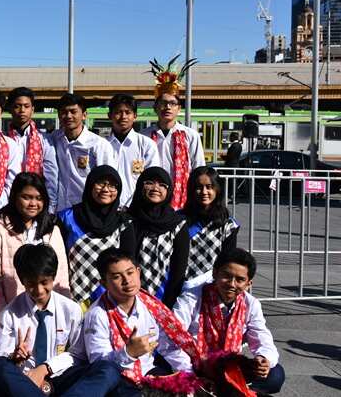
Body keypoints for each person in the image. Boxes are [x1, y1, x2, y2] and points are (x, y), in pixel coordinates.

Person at [0, 244, 121, 397]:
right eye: (31, 284)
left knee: (108, 369)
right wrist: (14, 358)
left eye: (44, 282)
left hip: (60, 378)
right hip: (24, 381)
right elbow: (1, 356)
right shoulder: (10, 313)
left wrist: (45, 368)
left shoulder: (70, 309)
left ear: (54, 276)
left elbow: (79, 354)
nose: (39, 290)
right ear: (22, 281)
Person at [83, 248, 200, 397]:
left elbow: (169, 347)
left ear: (138, 272)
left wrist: (189, 377)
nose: (127, 281)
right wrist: (128, 353)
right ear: (104, 283)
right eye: (117, 277)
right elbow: (99, 365)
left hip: (147, 372)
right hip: (119, 378)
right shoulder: (97, 314)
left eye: (130, 273)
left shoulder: (151, 305)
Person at [170, 248, 285, 395]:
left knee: (275, 376)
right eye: (226, 276)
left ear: (249, 284)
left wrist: (263, 359)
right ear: (214, 273)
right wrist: (189, 372)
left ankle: (225, 390)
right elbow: (173, 337)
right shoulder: (191, 298)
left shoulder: (251, 304)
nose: (232, 284)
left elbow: (261, 335)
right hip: (195, 366)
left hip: (229, 367)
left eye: (240, 280)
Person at [0, 172, 70, 322]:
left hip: (50, 316)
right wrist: (3, 323)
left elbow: (61, 279)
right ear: (15, 197)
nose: (33, 203)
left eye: (39, 198)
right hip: (13, 316)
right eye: (27, 197)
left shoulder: (52, 230)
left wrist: (62, 319)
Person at [57, 165, 135, 307]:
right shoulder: (67, 217)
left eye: (112, 185)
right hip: (74, 297)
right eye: (100, 183)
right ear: (90, 185)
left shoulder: (123, 222)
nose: (106, 189)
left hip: (113, 297)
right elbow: (59, 259)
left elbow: (128, 261)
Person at [142, 57, 204, 210]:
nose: (167, 107)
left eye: (172, 103)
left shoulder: (190, 135)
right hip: (150, 199)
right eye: (163, 103)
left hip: (182, 201)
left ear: (179, 108)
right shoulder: (143, 136)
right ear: (155, 108)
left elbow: (199, 169)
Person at [128, 167, 189, 307]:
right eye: (149, 183)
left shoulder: (177, 224)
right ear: (140, 186)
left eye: (162, 185)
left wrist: (169, 301)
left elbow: (179, 268)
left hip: (165, 296)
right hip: (130, 296)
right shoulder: (127, 220)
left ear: (169, 191)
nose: (156, 188)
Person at [48, 93, 114, 213]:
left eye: (73, 112)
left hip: (87, 211)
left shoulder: (99, 145)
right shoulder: (53, 139)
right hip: (59, 211)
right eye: (64, 112)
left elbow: (107, 181)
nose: (68, 116)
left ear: (84, 115)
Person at [181, 166, 239, 287]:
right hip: (181, 285)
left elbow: (227, 260)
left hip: (213, 286)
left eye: (209, 187)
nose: (204, 192)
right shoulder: (178, 220)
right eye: (199, 187)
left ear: (217, 189)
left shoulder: (228, 225)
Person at [6, 87, 58, 212]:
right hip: (8, 203)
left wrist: (50, 209)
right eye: (17, 106)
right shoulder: (3, 140)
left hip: (36, 204)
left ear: (32, 109)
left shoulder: (44, 140)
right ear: (10, 109)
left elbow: (51, 177)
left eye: (26, 106)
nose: (22, 110)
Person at [106, 94, 160, 208]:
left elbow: (152, 179)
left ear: (135, 116)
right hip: (107, 208)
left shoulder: (147, 145)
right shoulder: (102, 145)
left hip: (137, 209)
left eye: (128, 112)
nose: (123, 117)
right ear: (109, 115)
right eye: (118, 112)